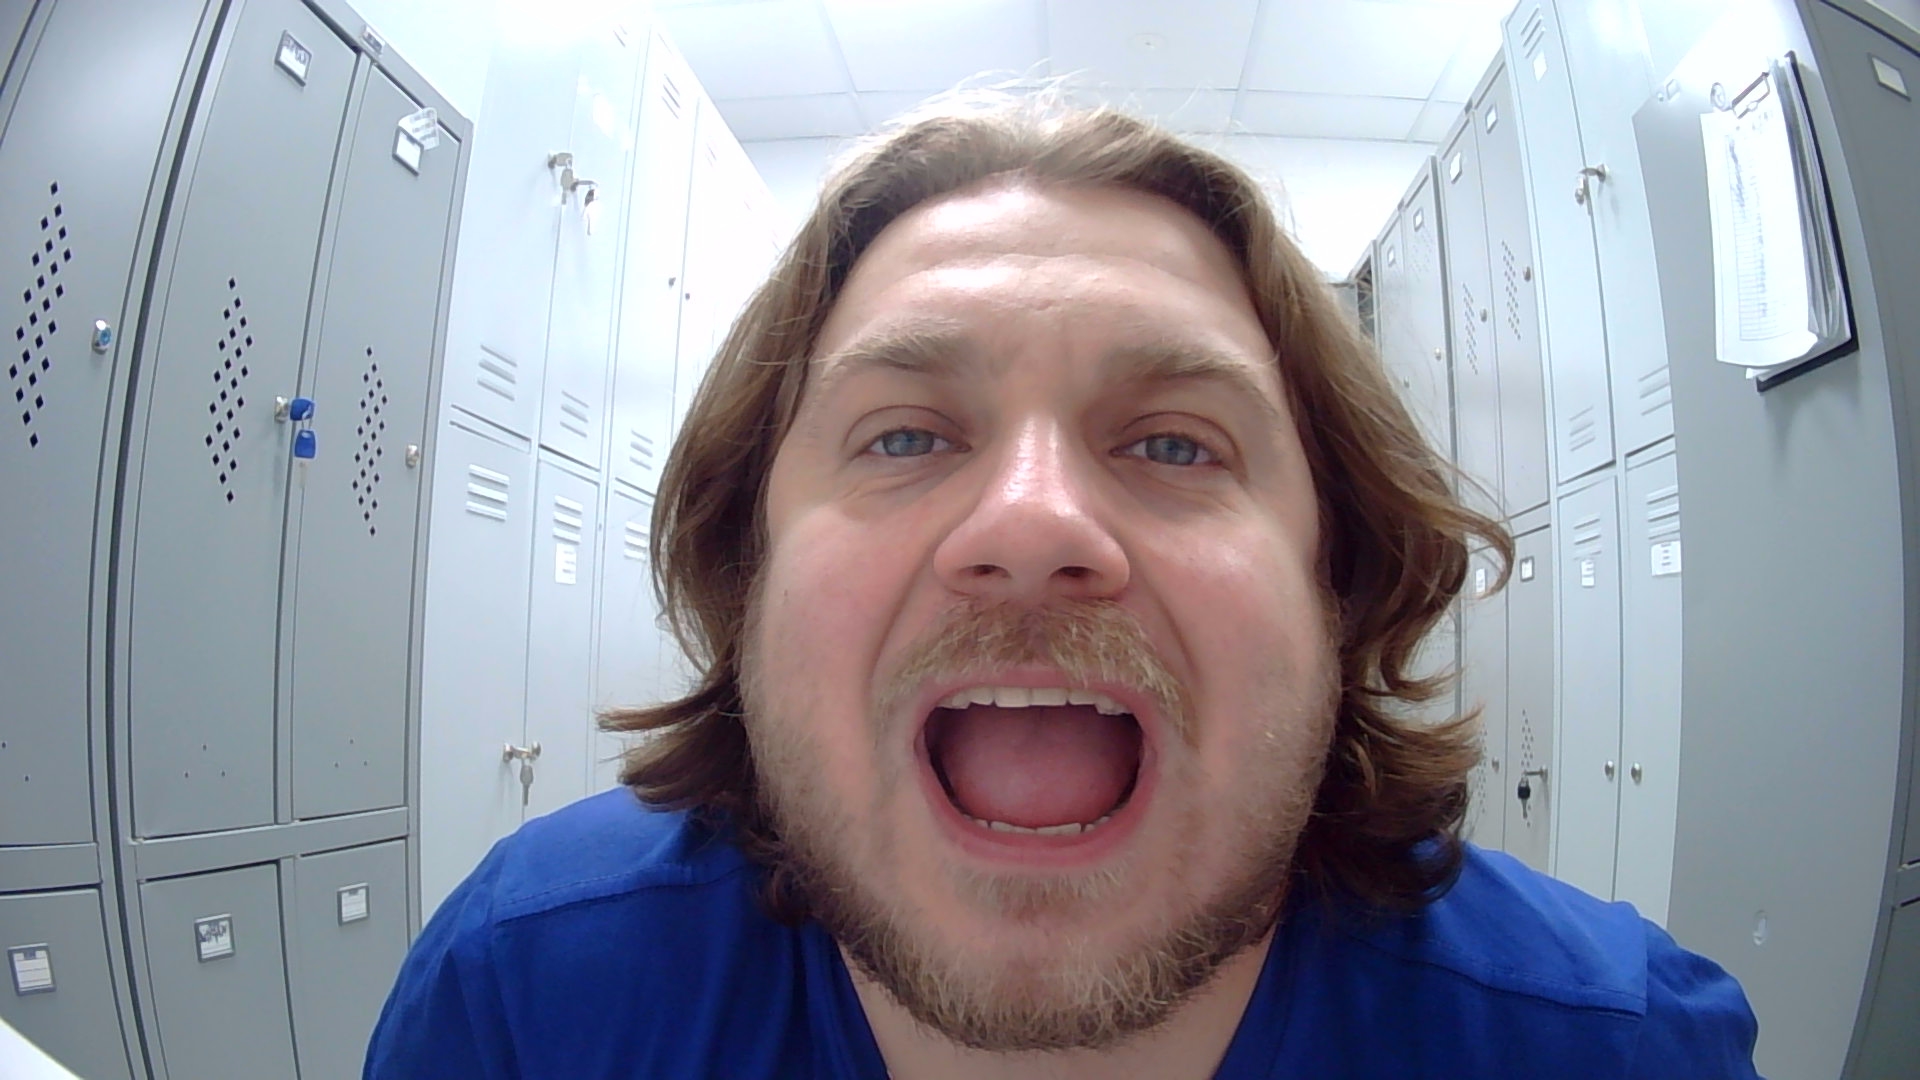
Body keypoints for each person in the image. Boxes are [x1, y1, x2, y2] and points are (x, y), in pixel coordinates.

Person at [364, 95, 1761, 1079]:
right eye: (903, 436)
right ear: (751, 571)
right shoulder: (522, 995)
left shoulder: (1617, 1047)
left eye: (1175, 443)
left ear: (1338, 582)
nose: (1032, 524)